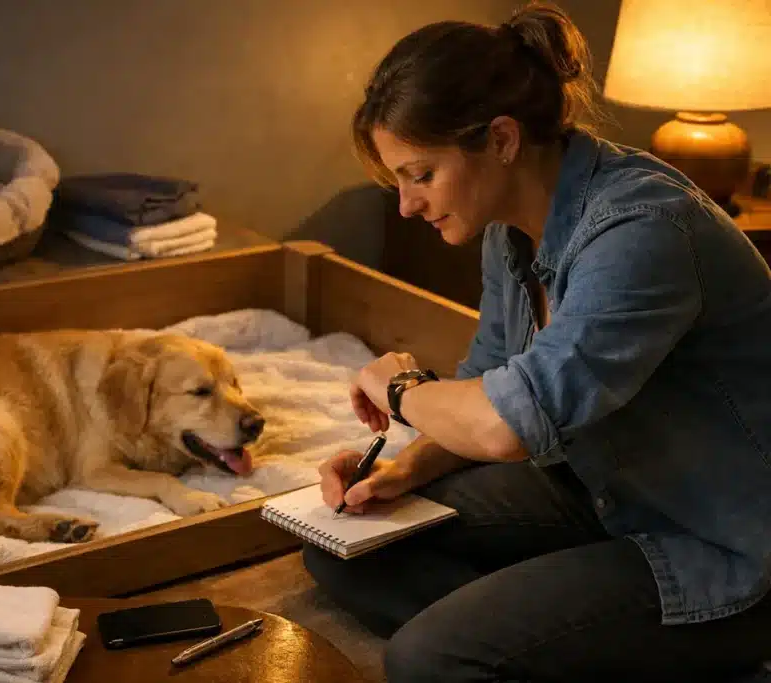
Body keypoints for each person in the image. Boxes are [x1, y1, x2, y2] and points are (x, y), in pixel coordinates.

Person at [301, 2, 771, 682]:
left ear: (501, 139)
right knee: (344, 544)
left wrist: (400, 389)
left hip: (719, 542)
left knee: (427, 659)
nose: (405, 205)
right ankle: (562, 643)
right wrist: (403, 470)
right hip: (604, 487)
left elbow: (504, 426)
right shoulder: (508, 228)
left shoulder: (644, 230)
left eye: (421, 174)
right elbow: (489, 377)